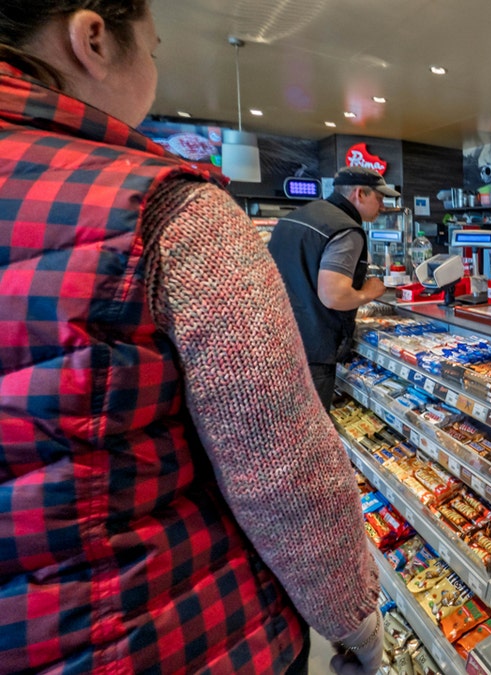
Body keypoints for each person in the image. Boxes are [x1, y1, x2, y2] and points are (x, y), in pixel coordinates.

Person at [0, 3, 382, 674]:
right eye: (151, 49)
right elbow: (280, 463)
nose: (153, 69)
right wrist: (354, 619)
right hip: (183, 627)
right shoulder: (171, 208)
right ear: (93, 38)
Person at [268, 166, 393, 409]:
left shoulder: (296, 217)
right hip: (314, 347)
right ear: (360, 194)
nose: (383, 206)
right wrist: (369, 292)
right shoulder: (345, 229)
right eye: (379, 198)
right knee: (311, 422)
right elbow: (334, 296)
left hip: (280, 336)